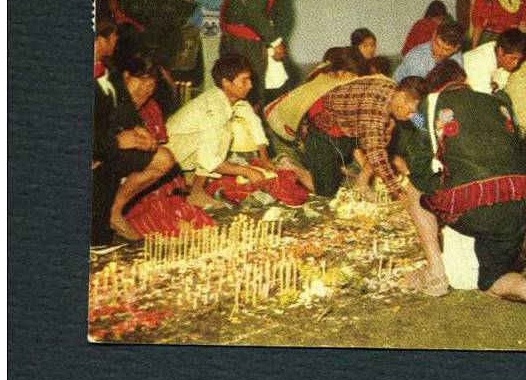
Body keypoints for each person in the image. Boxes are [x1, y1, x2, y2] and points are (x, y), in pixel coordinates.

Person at [399, 60, 526, 340]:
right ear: (463, 81)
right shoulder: (498, 101)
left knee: (414, 187)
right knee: (489, 281)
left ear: (435, 87)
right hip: (517, 206)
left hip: (474, 210)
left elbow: (420, 167)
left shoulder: (429, 105)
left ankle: (436, 273)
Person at [93, 44, 184, 242]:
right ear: (125, 76)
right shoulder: (102, 92)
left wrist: (144, 140)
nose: (146, 88)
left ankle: (113, 212)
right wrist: (115, 143)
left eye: (151, 83)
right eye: (141, 80)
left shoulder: (146, 106)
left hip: (116, 178)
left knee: (163, 160)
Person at [165, 54, 276, 209]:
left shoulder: (232, 100)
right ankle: (195, 192)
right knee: (223, 134)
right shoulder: (214, 108)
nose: (250, 85)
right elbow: (209, 158)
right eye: (244, 81)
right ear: (226, 83)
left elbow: (254, 122)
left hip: (186, 148)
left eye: (249, 79)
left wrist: (264, 157)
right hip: (169, 151)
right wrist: (248, 172)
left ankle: (196, 191)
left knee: (221, 135)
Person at [301, 75, 425, 198]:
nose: (411, 117)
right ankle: (293, 168)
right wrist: (398, 192)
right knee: (327, 192)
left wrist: (428, 126)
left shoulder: (393, 92)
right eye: (410, 112)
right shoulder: (373, 111)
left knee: (380, 145)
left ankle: (361, 184)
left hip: (350, 127)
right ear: (402, 97)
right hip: (324, 133)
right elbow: (376, 154)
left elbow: (417, 122)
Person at [264, 47, 367, 192]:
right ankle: (290, 167)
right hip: (282, 132)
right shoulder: (329, 92)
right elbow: (314, 139)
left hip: (298, 129)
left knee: (343, 174)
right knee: (327, 190)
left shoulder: (325, 72)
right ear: (342, 73)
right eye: (354, 77)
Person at [462, 28, 526, 95]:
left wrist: (495, 86)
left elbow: (500, 83)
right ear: (500, 51)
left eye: (519, 59)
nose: (516, 63)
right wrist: (494, 86)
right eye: (513, 58)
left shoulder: (500, 54)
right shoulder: (481, 62)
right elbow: (482, 96)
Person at [393, 22, 464, 81]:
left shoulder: (457, 58)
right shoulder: (417, 57)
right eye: (437, 44)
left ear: (456, 48)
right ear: (433, 35)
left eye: (446, 50)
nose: (439, 51)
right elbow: (416, 90)